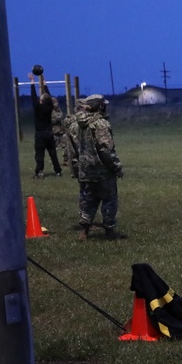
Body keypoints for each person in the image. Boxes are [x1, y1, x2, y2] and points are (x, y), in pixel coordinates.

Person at [66, 94, 126, 241]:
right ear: (99, 106)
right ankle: (110, 231)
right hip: (102, 171)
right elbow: (106, 149)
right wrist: (116, 167)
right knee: (109, 200)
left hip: (86, 170)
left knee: (88, 201)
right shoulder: (101, 124)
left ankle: (84, 231)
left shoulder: (78, 124)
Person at [29, 77, 62, 178]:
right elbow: (50, 99)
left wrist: (32, 82)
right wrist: (45, 85)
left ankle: (39, 171)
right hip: (49, 134)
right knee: (53, 154)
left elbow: (33, 97)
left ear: (41, 101)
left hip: (40, 134)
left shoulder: (37, 108)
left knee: (39, 154)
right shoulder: (49, 107)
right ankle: (58, 171)